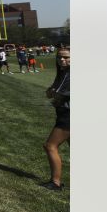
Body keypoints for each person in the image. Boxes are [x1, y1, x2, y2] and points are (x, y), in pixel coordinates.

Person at [41, 47, 70, 190]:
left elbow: (58, 96)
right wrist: (54, 94)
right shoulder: (62, 73)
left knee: (50, 146)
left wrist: (55, 95)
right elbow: (49, 93)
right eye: (59, 57)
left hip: (69, 115)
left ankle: (55, 182)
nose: (62, 60)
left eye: (66, 57)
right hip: (63, 112)